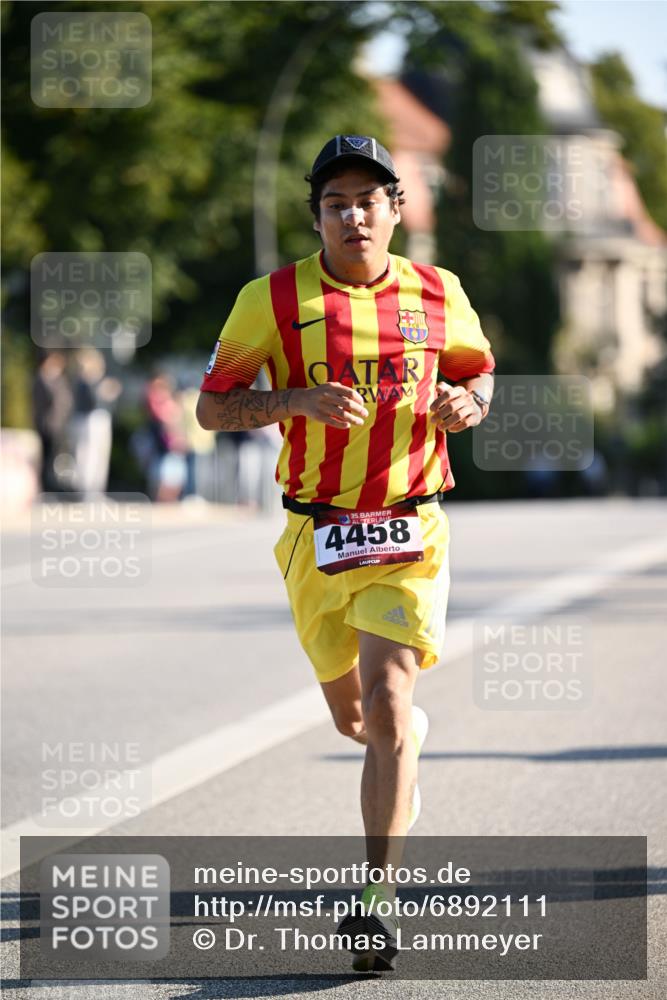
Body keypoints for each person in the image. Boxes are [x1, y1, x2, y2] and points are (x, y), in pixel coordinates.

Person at [196, 135, 495, 971]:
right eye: (336, 203)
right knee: (357, 720)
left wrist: (467, 403)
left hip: (409, 523)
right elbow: (213, 410)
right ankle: (397, 755)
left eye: (369, 199)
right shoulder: (272, 297)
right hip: (314, 531)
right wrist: (296, 399)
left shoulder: (439, 292)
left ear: (396, 210)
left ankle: (376, 901)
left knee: (390, 703)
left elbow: (477, 371)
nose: (353, 215)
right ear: (317, 216)